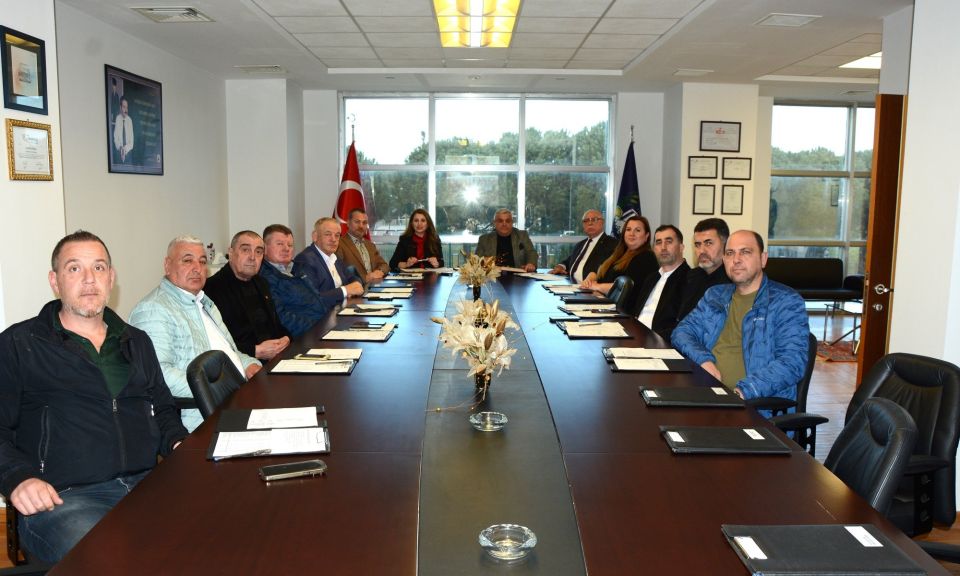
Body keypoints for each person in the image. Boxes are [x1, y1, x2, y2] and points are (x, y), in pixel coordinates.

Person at [0, 231, 187, 563]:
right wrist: (18, 478)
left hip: (147, 486)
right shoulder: (19, 344)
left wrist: (177, 441)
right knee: (112, 562)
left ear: (111, 278)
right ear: (55, 281)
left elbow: (162, 407)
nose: (89, 279)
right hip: (64, 499)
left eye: (98, 268)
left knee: (214, 539)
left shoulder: (136, 341)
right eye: (74, 268)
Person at [130, 235, 261, 431]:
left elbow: (230, 352)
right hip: (201, 416)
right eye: (187, 260)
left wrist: (250, 364)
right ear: (167, 265)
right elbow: (159, 375)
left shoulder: (204, 302)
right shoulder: (153, 309)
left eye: (202, 261)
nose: (197, 268)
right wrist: (218, 389)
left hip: (236, 396)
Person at [672, 230, 809, 400]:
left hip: (753, 402)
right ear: (724, 260)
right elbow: (682, 332)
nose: (736, 259)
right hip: (705, 392)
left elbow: (793, 362)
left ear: (763, 259)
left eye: (745, 252)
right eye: (730, 253)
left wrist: (743, 392)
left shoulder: (786, 302)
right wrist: (703, 360)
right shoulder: (715, 295)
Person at [203, 230, 290, 361]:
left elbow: (275, 324)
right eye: (245, 250)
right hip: (243, 362)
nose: (252, 257)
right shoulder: (211, 289)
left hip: (276, 356)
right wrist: (256, 351)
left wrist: (286, 338)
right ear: (231, 253)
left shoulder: (261, 283)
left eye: (258, 252)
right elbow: (214, 343)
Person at [259, 224, 338, 337]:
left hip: (324, 327)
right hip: (304, 336)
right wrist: (320, 328)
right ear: (264, 249)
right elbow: (281, 318)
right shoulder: (264, 278)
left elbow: (318, 300)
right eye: (280, 244)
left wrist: (332, 320)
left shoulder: (298, 268)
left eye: (290, 245)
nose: (286, 249)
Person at [581, 215, 658, 311]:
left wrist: (596, 286)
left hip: (623, 313)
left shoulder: (646, 257)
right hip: (604, 304)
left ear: (646, 236)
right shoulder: (620, 253)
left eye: (637, 230)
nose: (632, 233)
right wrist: (589, 279)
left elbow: (625, 288)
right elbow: (599, 272)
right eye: (628, 229)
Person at [631, 225, 690, 343]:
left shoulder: (689, 280)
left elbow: (682, 327)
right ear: (654, 249)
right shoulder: (651, 278)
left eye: (669, 241)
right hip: (635, 336)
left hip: (659, 343)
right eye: (658, 242)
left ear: (681, 247)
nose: (663, 247)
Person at [292, 217, 364, 301]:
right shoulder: (305, 260)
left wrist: (356, 284)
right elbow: (311, 299)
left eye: (337, 235)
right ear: (315, 236)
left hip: (344, 306)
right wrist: (345, 291)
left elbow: (352, 277)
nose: (333, 239)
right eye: (328, 234)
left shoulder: (334, 257)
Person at [678, 218, 731, 320]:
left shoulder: (732, 280)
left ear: (726, 245)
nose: (701, 251)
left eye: (708, 243)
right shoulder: (691, 276)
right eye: (697, 245)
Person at [549, 209, 617, 283]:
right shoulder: (580, 244)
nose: (590, 223)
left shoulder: (612, 244)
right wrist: (561, 266)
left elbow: (608, 270)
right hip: (571, 284)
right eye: (586, 220)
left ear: (602, 222)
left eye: (594, 219)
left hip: (591, 287)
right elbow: (569, 261)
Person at [337, 208, 390, 284]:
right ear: (348, 223)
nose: (361, 226)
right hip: (353, 288)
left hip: (373, 287)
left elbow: (384, 265)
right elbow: (338, 272)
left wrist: (379, 271)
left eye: (364, 222)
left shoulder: (370, 245)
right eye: (357, 222)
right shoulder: (339, 244)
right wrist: (365, 278)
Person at [112, 98, 134, 164]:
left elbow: (131, 142)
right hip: (119, 154)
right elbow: (116, 138)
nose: (126, 110)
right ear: (120, 108)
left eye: (127, 107)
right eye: (124, 107)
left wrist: (124, 149)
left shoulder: (130, 121)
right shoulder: (118, 118)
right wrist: (120, 148)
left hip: (128, 155)